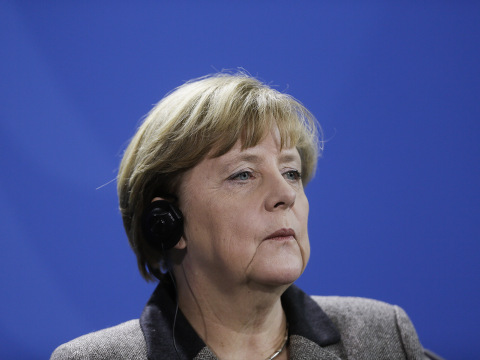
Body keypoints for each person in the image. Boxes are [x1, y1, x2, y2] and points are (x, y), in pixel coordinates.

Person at [51, 73, 439, 360]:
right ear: (166, 221)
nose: (286, 194)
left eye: (291, 172)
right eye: (243, 174)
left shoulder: (381, 336)